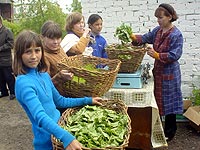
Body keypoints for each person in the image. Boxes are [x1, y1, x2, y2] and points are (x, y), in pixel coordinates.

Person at [13, 30, 103, 150]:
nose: (34, 56)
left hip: (61, 131)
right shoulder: (23, 83)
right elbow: (40, 116)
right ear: (19, 55)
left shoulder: (44, 75)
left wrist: (88, 100)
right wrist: (67, 138)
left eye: (37, 50)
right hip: (47, 142)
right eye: (28, 52)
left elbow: (60, 101)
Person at [130, 3, 183, 141]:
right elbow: (146, 38)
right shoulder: (158, 31)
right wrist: (132, 37)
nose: (158, 20)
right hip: (159, 72)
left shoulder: (176, 34)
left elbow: (175, 55)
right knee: (158, 102)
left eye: (160, 17)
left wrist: (157, 55)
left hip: (170, 74)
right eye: (157, 18)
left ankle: (170, 132)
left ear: (170, 17)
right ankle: (157, 130)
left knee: (170, 104)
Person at [41, 20, 73, 96]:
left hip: (69, 94)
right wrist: (58, 77)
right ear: (42, 37)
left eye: (58, 38)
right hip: (57, 98)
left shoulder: (59, 48)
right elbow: (44, 87)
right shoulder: (43, 57)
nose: (56, 42)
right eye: (52, 38)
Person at [0, 15, 16, 100]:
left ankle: (13, 92)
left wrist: (1, 48)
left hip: (6, 59)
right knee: (1, 78)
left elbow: (11, 44)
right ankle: (4, 92)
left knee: (9, 77)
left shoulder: (7, 31)